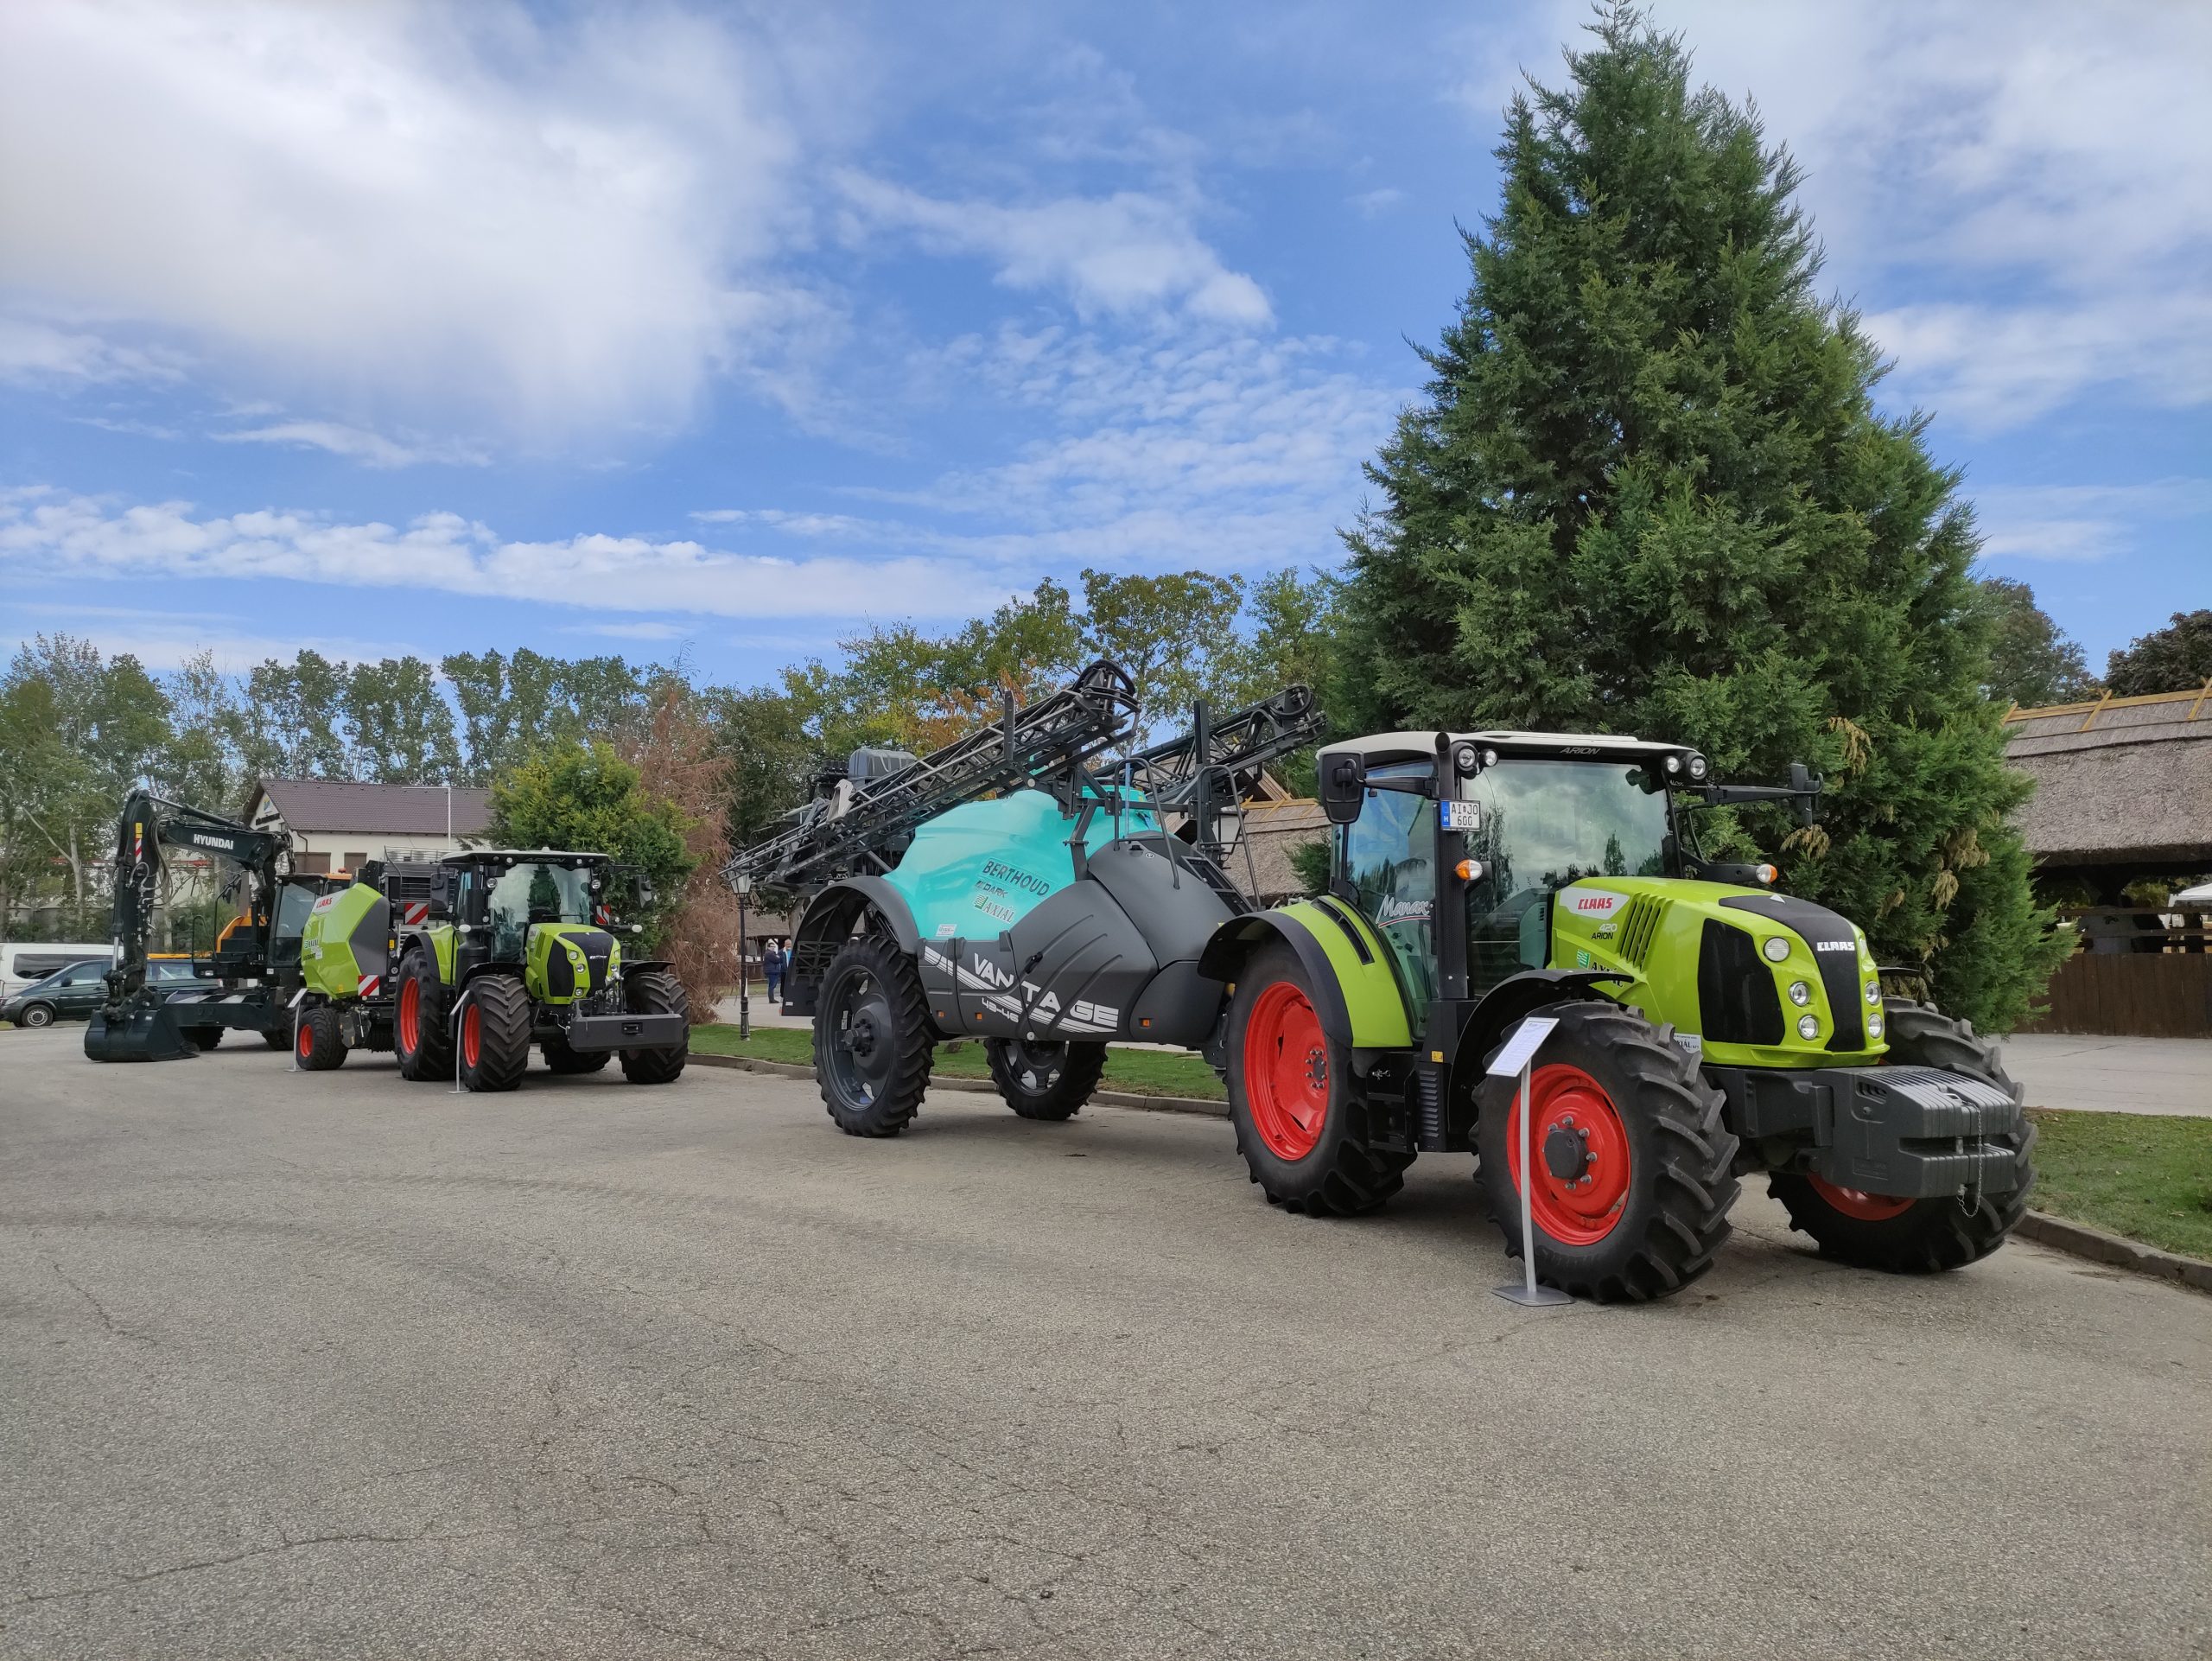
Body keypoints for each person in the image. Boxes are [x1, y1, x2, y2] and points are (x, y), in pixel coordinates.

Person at [762, 937, 786, 1004]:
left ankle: (772, 999)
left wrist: (777, 957)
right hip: (772, 971)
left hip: (772, 971)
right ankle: (771, 1000)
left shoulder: (770, 953)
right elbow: (777, 960)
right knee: (772, 986)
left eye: (774, 946)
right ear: (769, 947)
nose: (773, 948)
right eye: (772, 946)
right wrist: (778, 957)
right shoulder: (770, 953)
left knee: (772, 985)